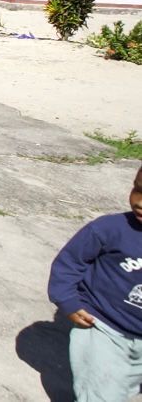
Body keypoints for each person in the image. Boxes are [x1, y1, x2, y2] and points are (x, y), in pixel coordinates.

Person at [48, 164, 142, 401]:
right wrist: (68, 301)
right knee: (103, 394)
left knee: (124, 387)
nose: (140, 202)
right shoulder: (110, 228)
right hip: (103, 326)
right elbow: (70, 263)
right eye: (138, 189)